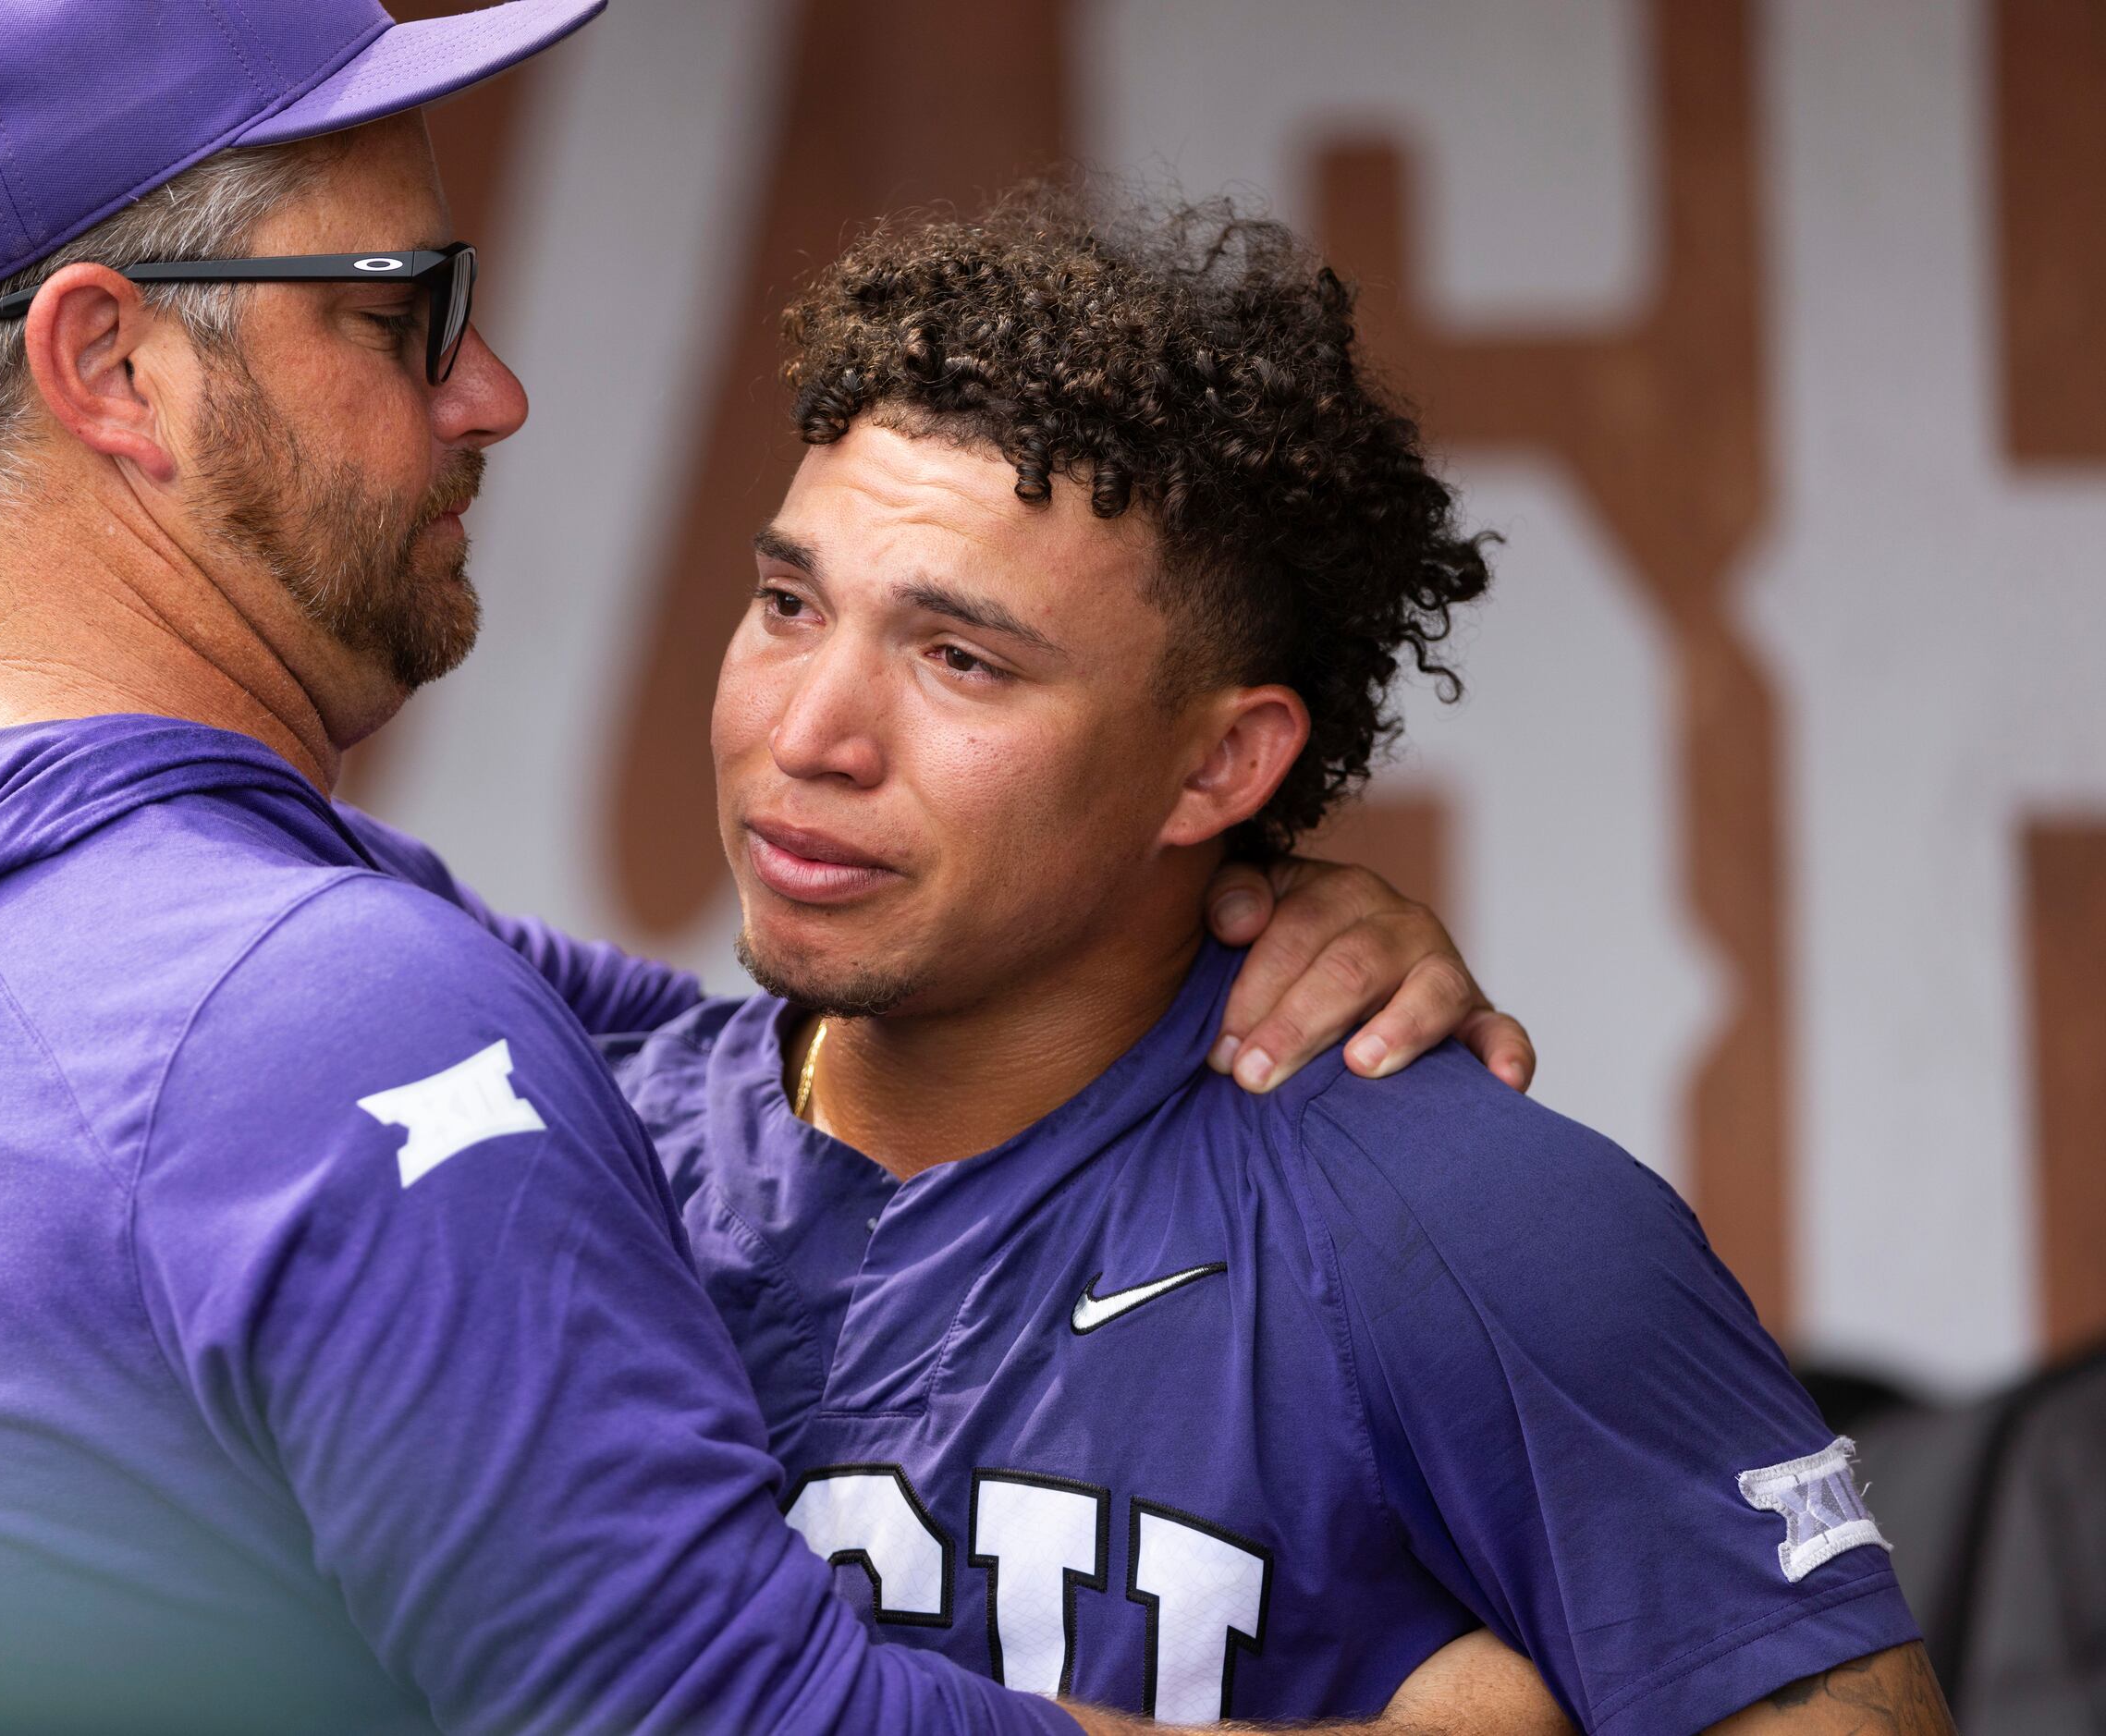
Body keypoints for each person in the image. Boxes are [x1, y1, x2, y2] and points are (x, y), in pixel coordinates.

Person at [0, 3, 1551, 1730]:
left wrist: (1212, 895)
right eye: (398, 311)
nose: (487, 393)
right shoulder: (304, 1012)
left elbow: (773, 1073)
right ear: (114, 365)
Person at [582, 187, 1951, 1732]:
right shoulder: (545, 1168)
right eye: (785, 605)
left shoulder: (1475, 1218)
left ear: (1220, 766)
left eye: (960, 658)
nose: (807, 733)